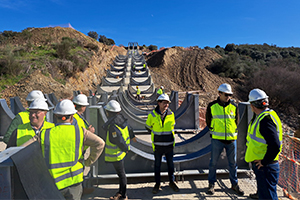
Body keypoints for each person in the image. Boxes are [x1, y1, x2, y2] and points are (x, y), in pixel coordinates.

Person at [39, 99, 105, 200]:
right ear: (72, 117)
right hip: (74, 182)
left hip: (54, 182)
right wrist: (88, 162)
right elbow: (100, 143)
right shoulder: (80, 132)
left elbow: (26, 148)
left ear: (56, 116)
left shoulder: (45, 133)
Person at [205, 83, 244, 196]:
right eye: (226, 94)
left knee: (233, 164)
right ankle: (211, 184)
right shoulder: (212, 106)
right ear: (219, 93)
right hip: (217, 140)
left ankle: (234, 184)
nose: (228, 97)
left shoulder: (234, 106)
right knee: (213, 163)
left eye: (230, 95)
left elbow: (236, 121)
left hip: (231, 140)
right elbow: (208, 121)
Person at [245, 89, 282, 200]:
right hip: (266, 165)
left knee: (268, 197)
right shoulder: (268, 115)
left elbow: (275, 145)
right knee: (266, 194)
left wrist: (264, 162)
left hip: (265, 166)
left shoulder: (265, 120)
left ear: (252, 105)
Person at [145, 94, 179, 194]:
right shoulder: (152, 115)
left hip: (169, 145)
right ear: (159, 103)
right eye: (164, 103)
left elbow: (172, 127)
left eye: (167, 103)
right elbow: (148, 127)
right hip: (158, 145)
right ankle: (157, 184)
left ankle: (171, 182)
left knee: (170, 165)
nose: (166, 105)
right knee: (157, 166)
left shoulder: (171, 114)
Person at [102, 100, 135, 200]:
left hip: (117, 154)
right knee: (121, 174)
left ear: (109, 113)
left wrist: (125, 148)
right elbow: (129, 129)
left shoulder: (113, 126)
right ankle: (121, 193)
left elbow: (118, 140)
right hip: (122, 153)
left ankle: (123, 194)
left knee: (121, 174)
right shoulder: (122, 120)